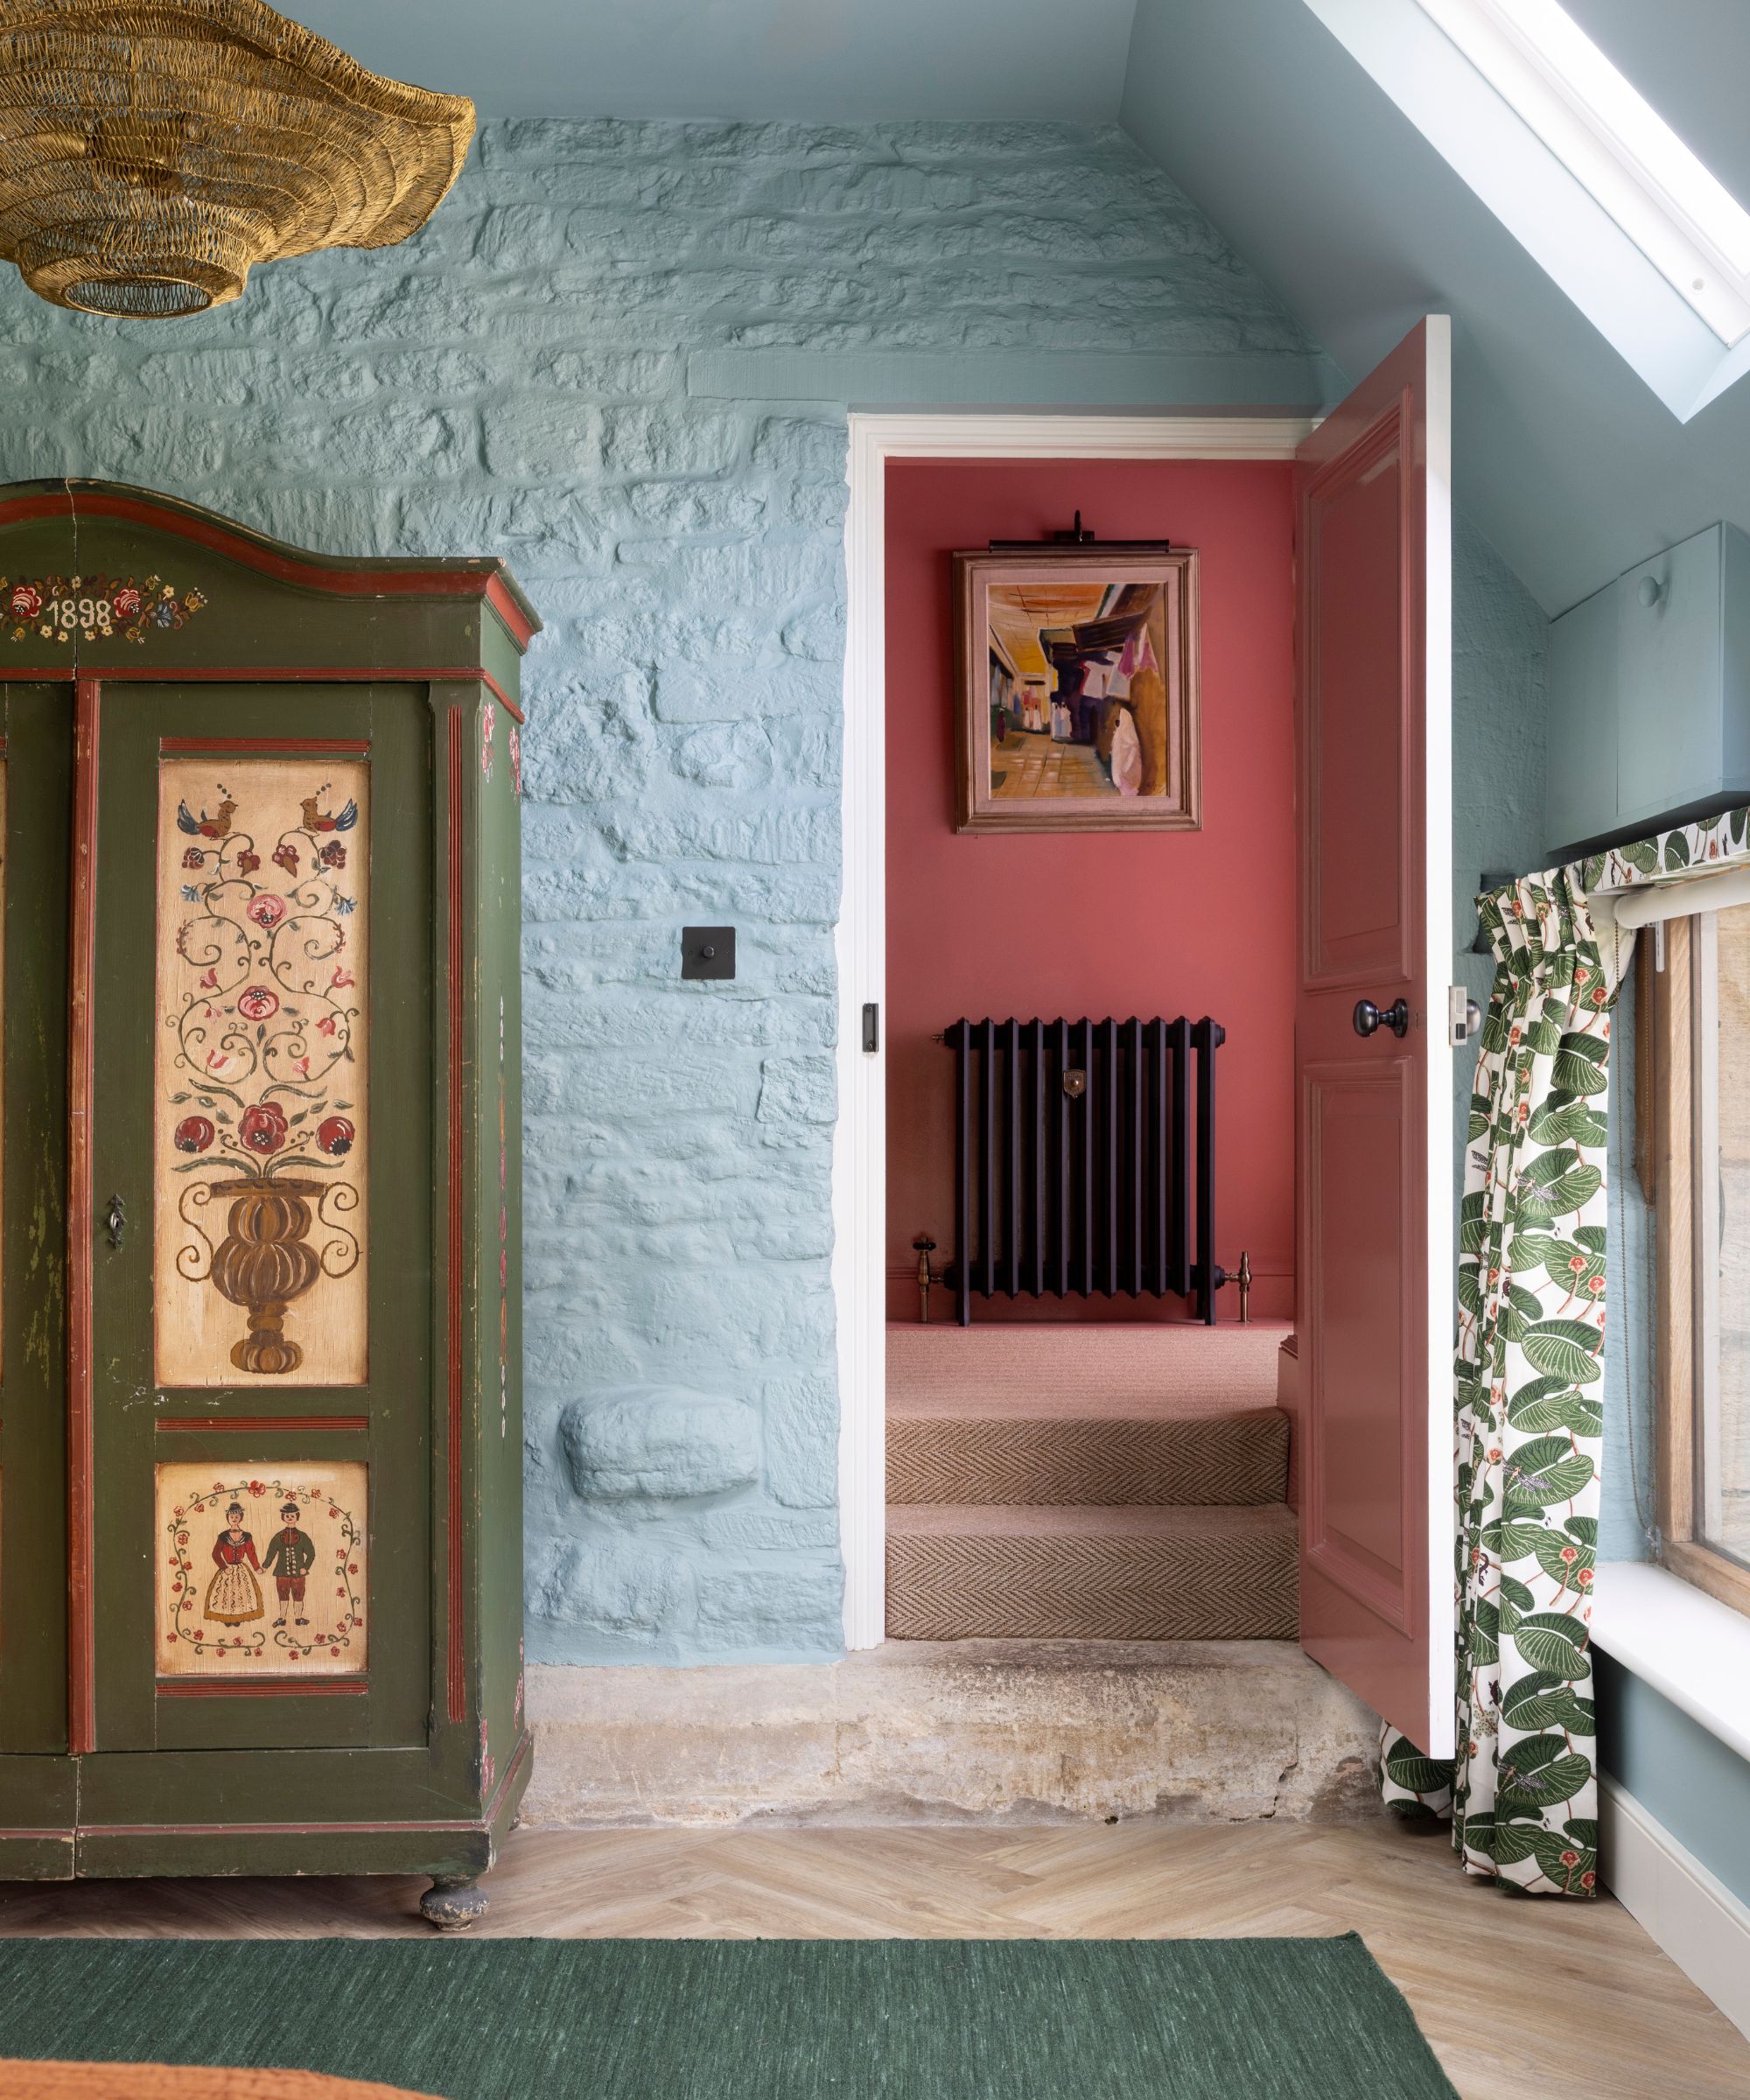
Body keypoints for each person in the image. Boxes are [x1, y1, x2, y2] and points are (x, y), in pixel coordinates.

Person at [205, 1502, 263, 1627]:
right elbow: (215, 1554)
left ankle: (237, 1617)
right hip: (226, 1569)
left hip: (241, 1569)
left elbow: (251, 1553)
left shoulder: (246, 1536)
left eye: (236, 1516)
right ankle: (227, 1618)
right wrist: (224, 1567)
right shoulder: (223, 1536)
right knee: (225, 1594)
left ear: (240, 1518)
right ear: (228, 1518)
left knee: (239, 1593)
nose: (234, 1518)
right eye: (231, 1516)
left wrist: (257, 1567)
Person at [262, 1499, 318, 1628]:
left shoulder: (303, 1536)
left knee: (299, 1595)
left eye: (292, 1515)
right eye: (287, 1516)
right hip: (281, 1572)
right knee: (282, 1594)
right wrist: (265, 1566)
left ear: (297, 1517)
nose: (290, 1517)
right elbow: (271, 1553)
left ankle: (298, 1618)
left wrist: (305, 1567)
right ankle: (282, 1618)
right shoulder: (278, 1536)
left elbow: (312, 1554)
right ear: (283, 1517)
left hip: (299, 1573)